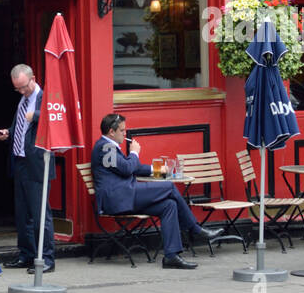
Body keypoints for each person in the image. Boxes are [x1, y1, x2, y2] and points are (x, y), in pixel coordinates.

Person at [91, 113, 223, 270]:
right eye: (122, 130)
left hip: (126, 196)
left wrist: (161, 170)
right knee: (169, 187)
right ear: (111, 132)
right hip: (118, 198)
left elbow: (135, 168)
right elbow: (127, 169)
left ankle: (171, 256)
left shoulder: (110, 147)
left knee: (169, 205)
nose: (125, 133)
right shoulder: (105, 147)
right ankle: (195, 229)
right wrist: (134, 152)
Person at [0, 64, 55, 272]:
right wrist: (9, 133)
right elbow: (21, 127)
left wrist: (36, 116)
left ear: (33, 78)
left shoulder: (45, 99)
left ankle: (47, 258)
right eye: (17, 88)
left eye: (23, 87)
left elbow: (55, 121)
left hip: (38, 164)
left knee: (40, 214)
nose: (21, 91)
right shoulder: (23, 101)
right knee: (22, 215)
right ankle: (27, 255)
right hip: (20, 161)